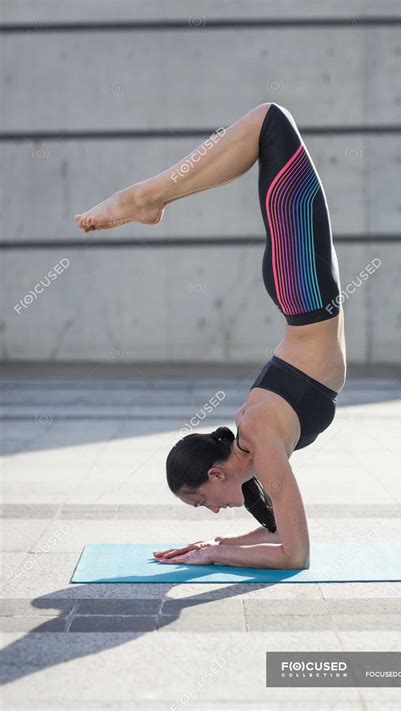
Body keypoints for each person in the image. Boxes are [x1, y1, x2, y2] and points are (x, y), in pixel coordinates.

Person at [75, 102, 346, 569]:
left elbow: (296, 555)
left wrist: (218, 552)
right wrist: (222, 546)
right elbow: (283, 532)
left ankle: (146, 197)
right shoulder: (257, 446)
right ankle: (150, 199)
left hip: (303, 288)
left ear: (216, 472)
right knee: (271, 132)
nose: (214, 510)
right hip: (305, 291)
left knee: (270, 122)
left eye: (203, 501)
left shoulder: (258, 433)